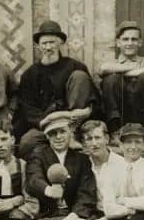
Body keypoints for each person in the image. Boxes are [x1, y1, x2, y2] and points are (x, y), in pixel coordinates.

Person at [15, 20, 100, 158]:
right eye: (44, 43)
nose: (48, 47)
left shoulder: (75, 66)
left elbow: (93, 98)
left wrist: (86, 111)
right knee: (27, 143)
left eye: (52, 42)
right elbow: (27, 107)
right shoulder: (30, 74)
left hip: (74, 123)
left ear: (60, 43)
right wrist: (47, 121)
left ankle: (71, 136)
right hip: (46, 124)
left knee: (80, 76)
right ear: (38, 46)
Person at [97, 21, 144, 146]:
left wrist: (126, 71)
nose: (130, 43)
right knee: (110, 80)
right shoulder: (112, 62)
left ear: (140, 42)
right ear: (118, 43)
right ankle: (114, 132)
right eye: (125, 39)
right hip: (121, 116)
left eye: (134, 39)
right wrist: (138, 69)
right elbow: (102, 69)